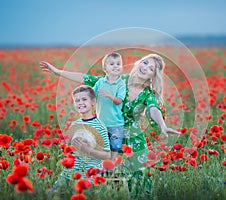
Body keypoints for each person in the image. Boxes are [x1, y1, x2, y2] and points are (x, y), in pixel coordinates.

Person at [40, 53, 180, 195]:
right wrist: (58, 72)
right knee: (92, 169)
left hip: (134, 142)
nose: (145, 68)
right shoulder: (119, 80)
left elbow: (153, 108)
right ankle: (61, 192)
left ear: (153, 76)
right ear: (138, 63)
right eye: (145, 63)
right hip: (107, 133)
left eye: (151, 69)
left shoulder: (148, 94)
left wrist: (162, 125)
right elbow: (88, 79)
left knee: (140, 184)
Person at [41, 52, 126, 162]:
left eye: (119, 64)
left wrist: (109, 95)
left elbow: (119, 101)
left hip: (116, 124)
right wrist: (81, 100)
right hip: (101, 123)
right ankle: (101, 171)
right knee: (101, 147)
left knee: (114, 150)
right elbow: (91, 95)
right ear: (105, 69)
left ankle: (113, 172)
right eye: (112, 64)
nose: (116, 66)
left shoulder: (121, 84)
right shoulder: (100, 82)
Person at [51, 85, 111, 192]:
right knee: (54, 193)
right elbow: (69, 148)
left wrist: (88, 150)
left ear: (93, 102)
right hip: (69, 171)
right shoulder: (75, 124)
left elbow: (107, 154)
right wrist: (65, 148)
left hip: (89, 174)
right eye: (77, 100)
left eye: (84, 99)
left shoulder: (100, 126)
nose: (80, 103)